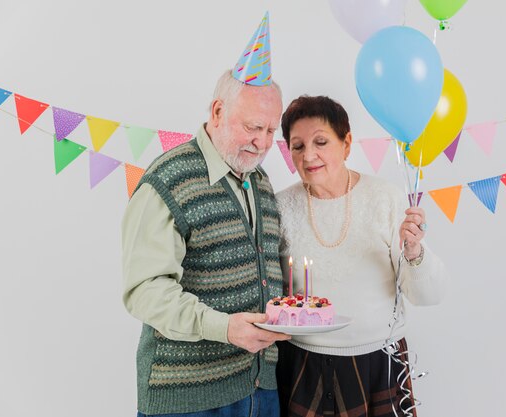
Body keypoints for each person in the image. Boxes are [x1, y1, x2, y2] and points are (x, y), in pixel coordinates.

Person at [121, 68, 290, 417]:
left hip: (261, 391)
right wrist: (224, 328)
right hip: (188, 398)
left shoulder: (260, 181)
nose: (262, 142)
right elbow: (145, 290)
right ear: (217, 112)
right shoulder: (168, 180)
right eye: (252, 127)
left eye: (271, 130)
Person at [275, 95, 447, 417]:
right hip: (302, 364)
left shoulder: (384, 198)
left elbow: (429, 295)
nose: (308, 155)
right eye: (297, 146)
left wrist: (414, 251)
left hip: (378, 365)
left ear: (347, 143)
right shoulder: (280, 207)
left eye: (321, 142)